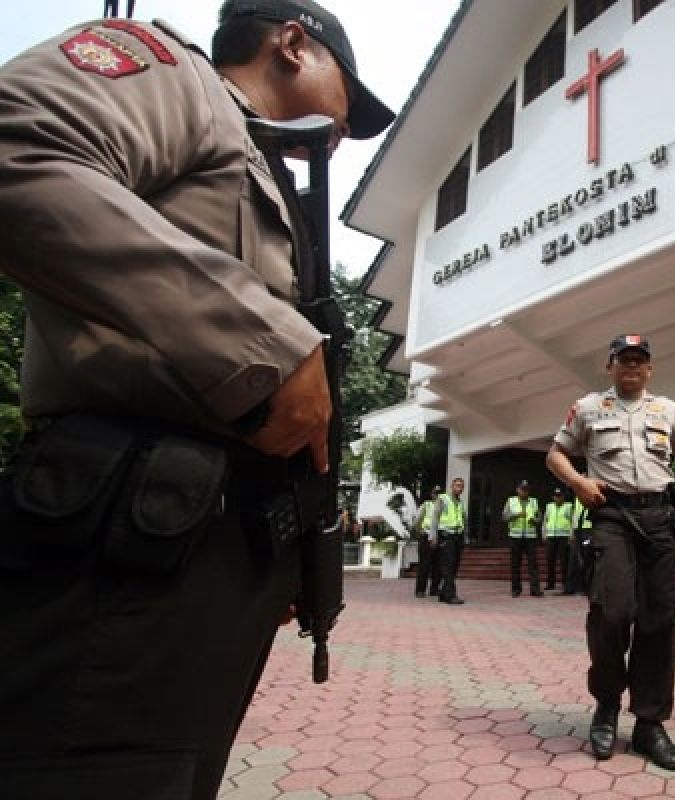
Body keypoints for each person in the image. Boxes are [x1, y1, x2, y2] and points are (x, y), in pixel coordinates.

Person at [0, 2, 394, 797]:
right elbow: (18, 147)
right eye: (347, 100)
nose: (346, 134)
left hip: (202, 548)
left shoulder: (260, 167)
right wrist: (263, 347)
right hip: (124, 532)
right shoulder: (172, 74)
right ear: (291, 44)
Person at [546, 334, 675, 771]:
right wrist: (579, 483)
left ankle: (650, 723)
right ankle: (607, 706)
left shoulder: (667, 410)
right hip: (611, 516)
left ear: (649, 368)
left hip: (659, 520)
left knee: (660, 618)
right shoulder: (590, 407)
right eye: (623, 359)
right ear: (609, 365)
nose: (632, 366)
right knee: (611, 612)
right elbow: (556, 455)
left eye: (639, 360)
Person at [503, 479, 543, 597]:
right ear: (517, 490)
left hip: (530, 537)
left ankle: (535, 590)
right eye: (522, 489)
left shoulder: (534, 502)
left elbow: (540, 518)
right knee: (515, 564)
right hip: (515, 536)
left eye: (526, 490)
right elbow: (504, 517)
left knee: (533, 565)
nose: (524, 492)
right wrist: (516, 515)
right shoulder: (511, 501)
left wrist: (534, 521)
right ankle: (516, 590)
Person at [431, 478, 467, 604]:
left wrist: (464, 537)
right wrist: (433, 536)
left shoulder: (460, 502)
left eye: (462, 486)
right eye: (457, 485)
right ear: (451, 486)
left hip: (457, 537)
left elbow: (463, 520)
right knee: (449, 566)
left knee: (454, 565)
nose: (460, 488)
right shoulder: (443, 499)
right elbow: (435, 517)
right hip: (446, 536)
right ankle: (451, 595)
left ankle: (443, 593)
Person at [412, 485, 443, 598]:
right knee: (424, 564)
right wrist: (420, 531)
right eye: (435, 493)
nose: (437, 495)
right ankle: (420, 590)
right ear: (432, 494)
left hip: (440, 537)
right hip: (426, 536)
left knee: (438, 566)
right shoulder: (426, 505)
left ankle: (434, 589)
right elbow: (417, 520)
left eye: (439, 493)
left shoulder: (445, 507)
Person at [542, 487, 573, 592]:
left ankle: (565, 583)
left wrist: (571, 535)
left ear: (563, 497)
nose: (557, 498)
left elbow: (573, 522)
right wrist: (544, 534)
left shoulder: (568, 506)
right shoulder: (549, 506)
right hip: (551, 536)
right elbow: (545, 521)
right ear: (553, 497)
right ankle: (550, 584)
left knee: (564, 562)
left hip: (563, 537)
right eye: (556, 496)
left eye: (560, 496)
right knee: (550, 561)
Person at [562, 492, 593, 596]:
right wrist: (571, 532)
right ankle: (570, 588)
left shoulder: (591, 492)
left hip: (588, 529)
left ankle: (586, 588)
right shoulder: (576, 496)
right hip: (577, 530)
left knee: (587, 558)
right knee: (573, 559)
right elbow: (574, 516)